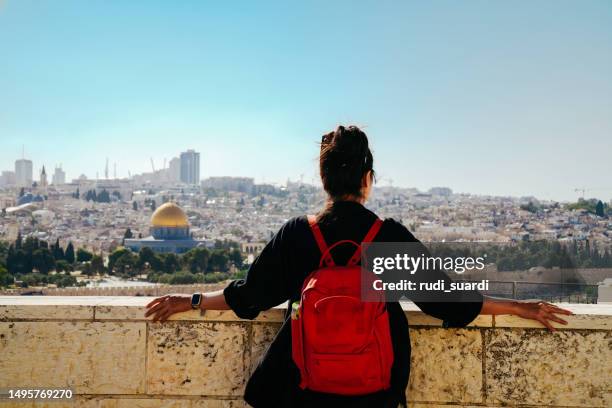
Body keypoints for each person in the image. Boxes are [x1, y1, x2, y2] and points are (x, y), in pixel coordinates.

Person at [145, 125, 572, 408]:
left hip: (307, 389)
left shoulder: (299, 233)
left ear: (324, 178)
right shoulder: (386, 237)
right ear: (368, 179)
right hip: (375, 391)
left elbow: (250, 296)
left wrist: (191, 299)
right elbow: (450, 302)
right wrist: (520, 308)